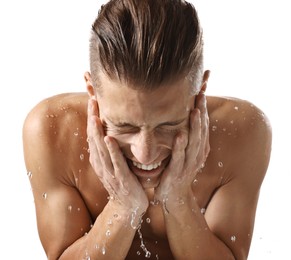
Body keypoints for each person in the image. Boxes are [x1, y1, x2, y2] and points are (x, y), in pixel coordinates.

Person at [22, 0, 272, 259]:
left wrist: (178, 198)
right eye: (124, 126)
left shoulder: (241, 134)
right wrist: (123, 204)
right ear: (92, 92)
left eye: (169, 125)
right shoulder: (51, 130)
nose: (145, 154)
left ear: (200, 92)